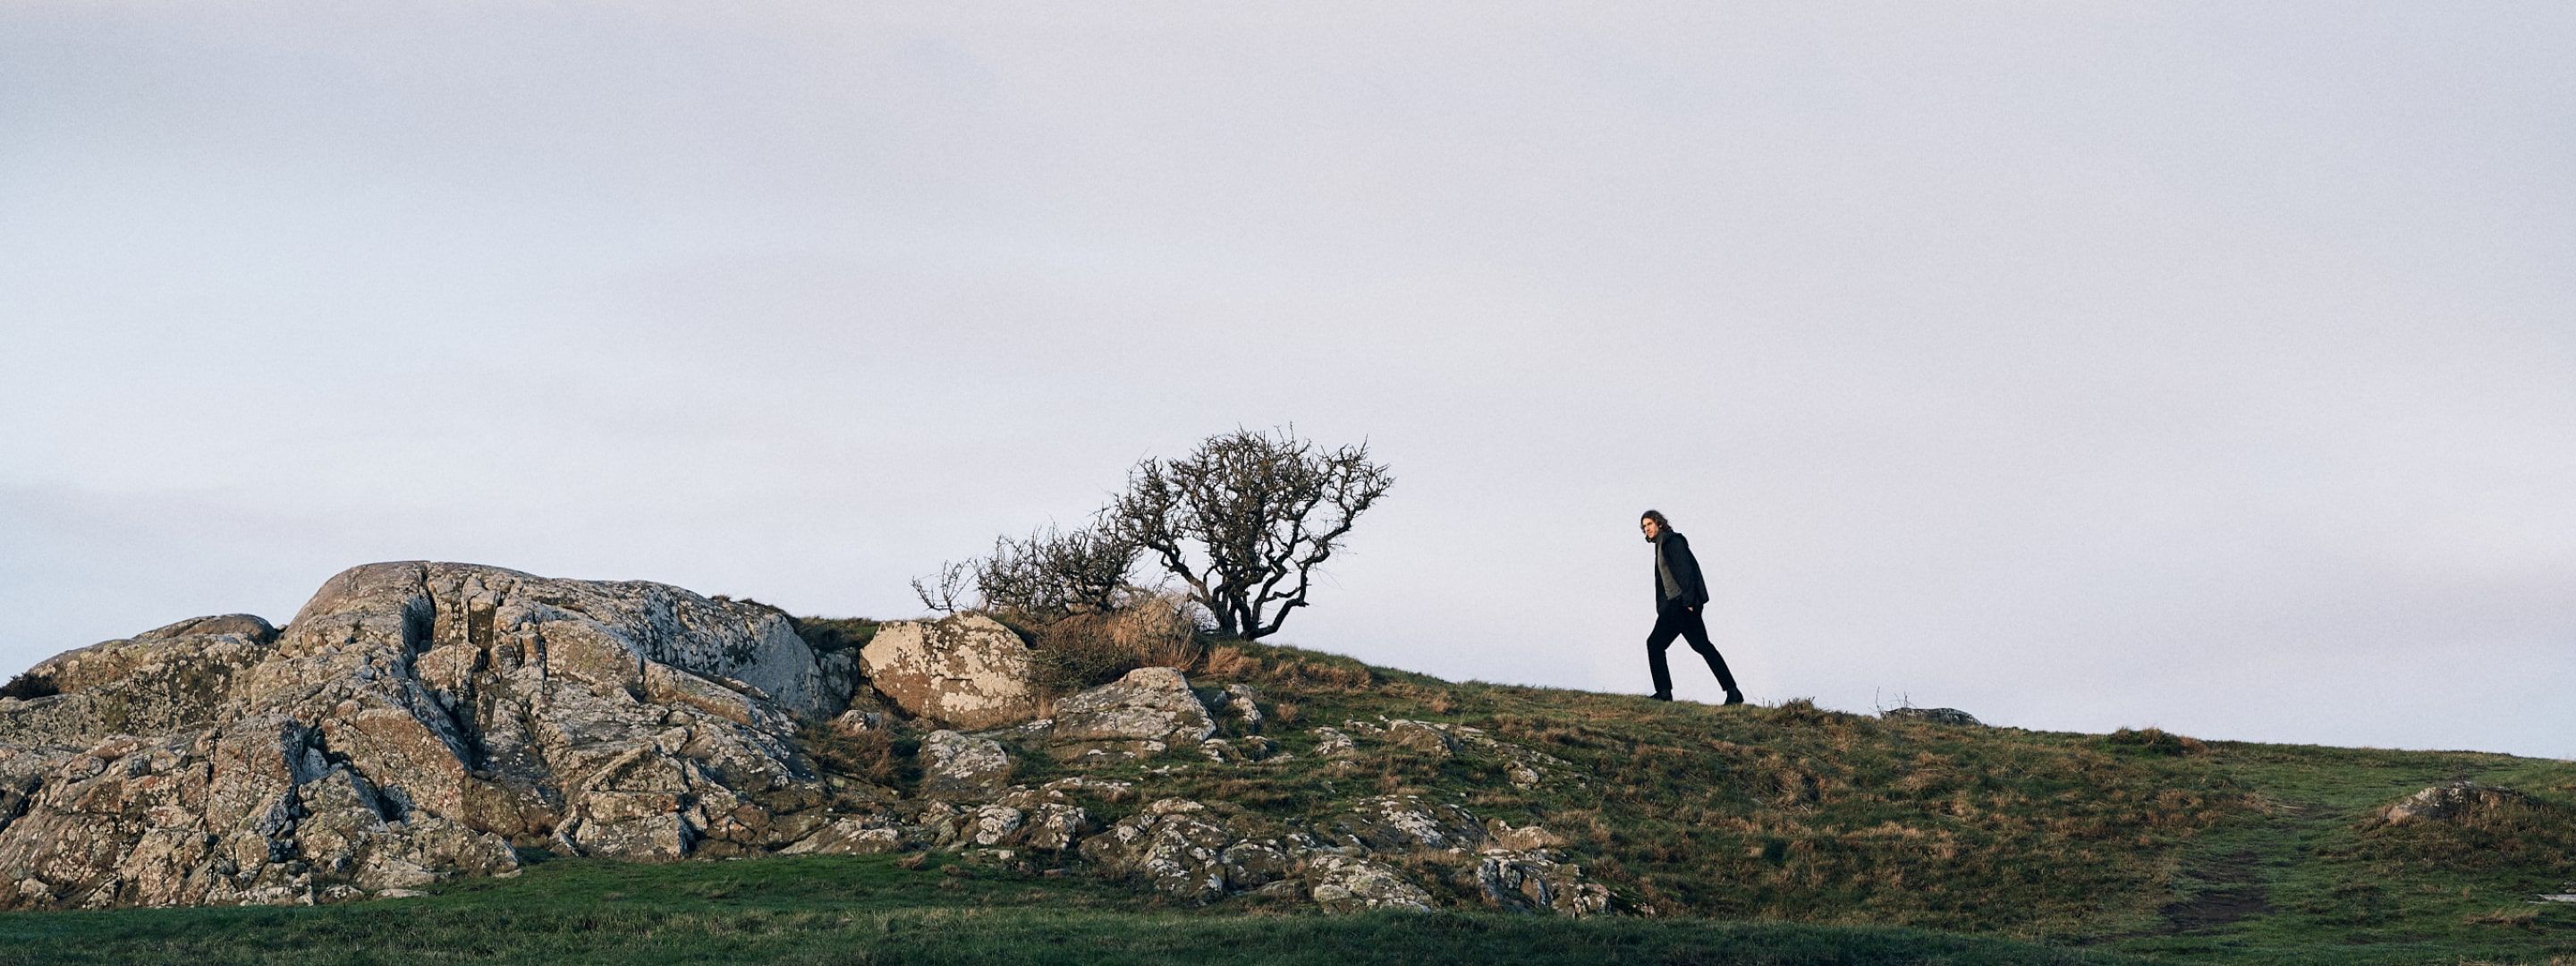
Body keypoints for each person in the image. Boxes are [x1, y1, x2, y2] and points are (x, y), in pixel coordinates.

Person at [1640, 510, 1743, 705]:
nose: (1647, 529)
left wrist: (1689, 602)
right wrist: (1663, 608)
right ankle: (1663, 692)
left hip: (1683, 605)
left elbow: (1686, 571)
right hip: (1671, 607)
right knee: (1655, 644)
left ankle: (1733, 692)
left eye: (1649, 524)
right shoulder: (1660, 545)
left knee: (1702, 646)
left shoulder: (1673, 541)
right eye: (1644, 527)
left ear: (1659, 523)